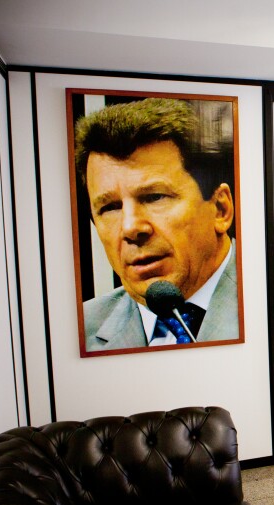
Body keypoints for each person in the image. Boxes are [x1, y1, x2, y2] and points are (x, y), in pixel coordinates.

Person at [73, 97, 240, 352]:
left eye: (154, 197)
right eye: (110, 208)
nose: (130, 228)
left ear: (220, 209)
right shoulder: (77, 331)